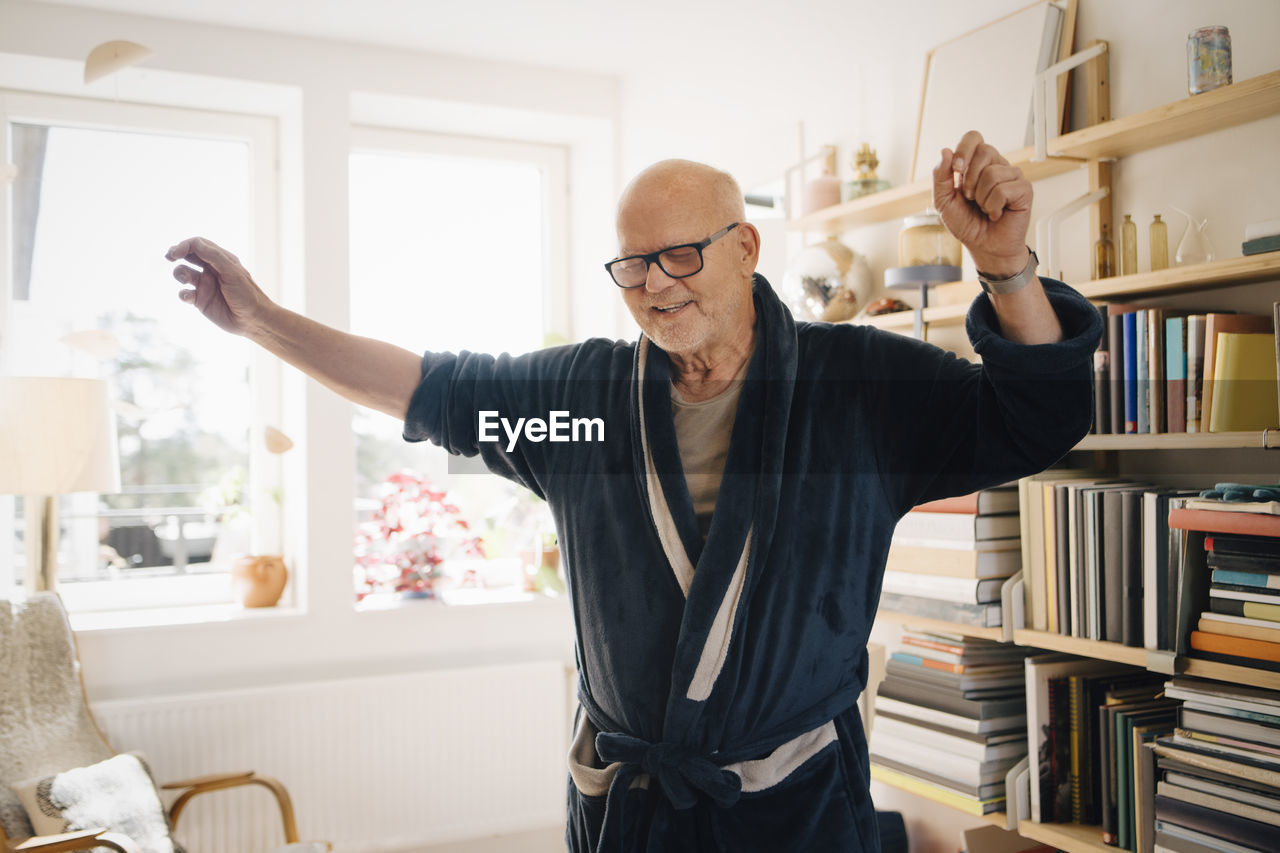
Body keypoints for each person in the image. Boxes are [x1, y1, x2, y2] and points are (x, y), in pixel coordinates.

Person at [167, 131, 1101, 851]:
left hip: (793, 811)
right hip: (631, 812)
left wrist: (1007, 266)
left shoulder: (855, 390)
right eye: (633, 264)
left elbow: (1034, 419)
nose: (655, 285)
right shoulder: (582, 406)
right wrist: (260, 321)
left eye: (682, 255)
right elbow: (425, 388)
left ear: (747, 246)